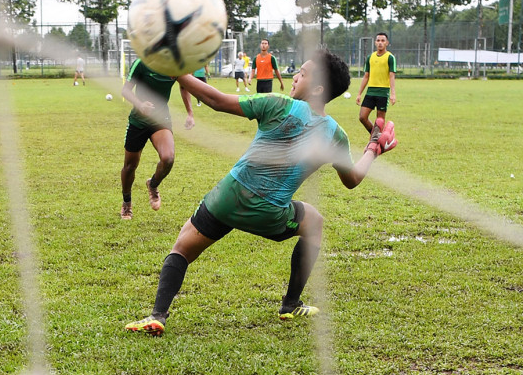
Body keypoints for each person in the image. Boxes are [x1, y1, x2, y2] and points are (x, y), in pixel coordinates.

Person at [125, 49, 398, 336]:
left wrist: (179, 74)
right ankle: (291, 304)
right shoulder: (335, 134)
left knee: (181, 248)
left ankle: (157, 315)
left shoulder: (277, 104)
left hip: (228, 198)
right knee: (314, 222)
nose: (295, 76)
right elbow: (352, 179)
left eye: (302, 73)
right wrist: (372, 149)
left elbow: (216, 100)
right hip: (269, 214)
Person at [119, 58, 195, 220]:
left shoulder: (177, 64)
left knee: (168, 158)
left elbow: (185, 86)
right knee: (130, 166)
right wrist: (140, 105)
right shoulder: (142, 62)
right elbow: (125, 90)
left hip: (161, 120)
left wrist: (190, 113)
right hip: (138, 121)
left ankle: (152, 185)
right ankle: (127, 203)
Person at [356, 32, 396, 134]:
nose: (380, 43)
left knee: (380, 121)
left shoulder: (390, 57)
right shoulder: (370, 57)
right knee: (362, 117)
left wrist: (393, 94)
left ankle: (377, 140)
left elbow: (392, 76)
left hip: (383, 92)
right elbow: (366, 76)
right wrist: (359, 93)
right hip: (370, 92)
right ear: (375, 43)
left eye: (383, 41)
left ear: (387, 43)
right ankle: (376, 136)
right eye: (378, 40)